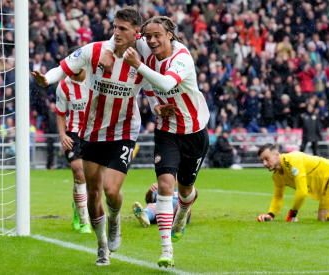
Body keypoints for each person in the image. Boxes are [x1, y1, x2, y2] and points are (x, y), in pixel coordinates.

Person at [31, 7, 154, 266]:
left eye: (123, 29)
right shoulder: (94, 50)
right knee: (93, 190)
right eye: (115, 27)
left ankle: (115, 220)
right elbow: (63, 67)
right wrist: (47, 79)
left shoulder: (144, 55)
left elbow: (162, 61)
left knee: (111, 190)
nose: (116, 32)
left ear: (136, 33)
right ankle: (101, 247)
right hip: (92, 131)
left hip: (124, 131)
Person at [101, 15, 210, 267]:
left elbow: (165, 82)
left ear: (170, 35)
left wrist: (137, 65)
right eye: (147, 36)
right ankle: (166, 249)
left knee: (185, 191)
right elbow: (122, 35)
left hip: (194, 131)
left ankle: (182, 213)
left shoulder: (181, 58)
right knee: (164, 185)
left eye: (157, 36)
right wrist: (109, 49)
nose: (151, 41)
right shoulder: (144, 46)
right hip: (166, 131)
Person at [54, 46, 91, 234]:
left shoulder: (95, 78)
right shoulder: (63, 86)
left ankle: (77, 207)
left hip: (94, 132)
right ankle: (85, 222)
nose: (73, 76)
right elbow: (60, 114)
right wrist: (62, 135)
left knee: (93, 179)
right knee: (79, 172)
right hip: (74, 133)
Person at [132, 183, 196, 228]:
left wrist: (190, 187)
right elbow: (149, 200)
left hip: (179, 212)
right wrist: (150, 191)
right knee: (152, 205)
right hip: (162, 210)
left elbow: (194, 196)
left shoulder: (181, 191)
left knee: (180, 205)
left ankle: (172, 218)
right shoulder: (160, 190)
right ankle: (145, 217)